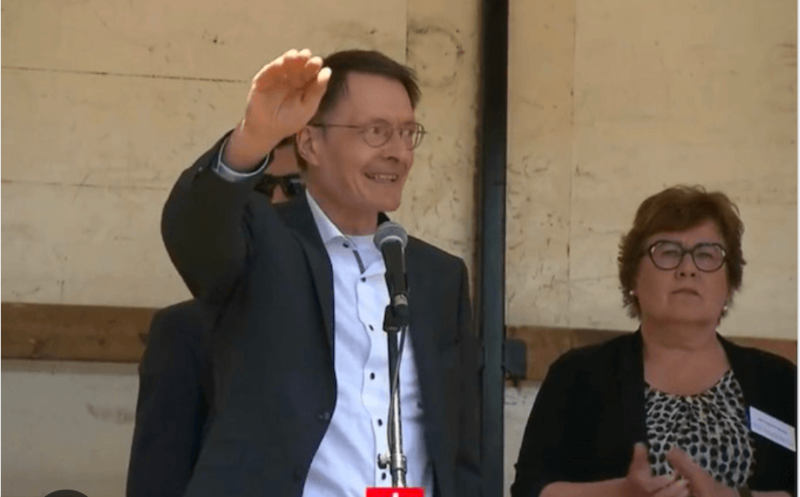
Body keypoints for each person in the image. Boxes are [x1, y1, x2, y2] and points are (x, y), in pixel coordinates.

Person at [160, 48, 481, 497]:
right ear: (310, 143)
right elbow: (193, 231)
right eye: (376, 132)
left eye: (408, 133)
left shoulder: (438, 275)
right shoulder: (262, 244)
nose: (398, 153)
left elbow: (461, 446)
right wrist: (253, 137)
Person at [511, 185, 796, 497]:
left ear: (729, 284)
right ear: (633, 277)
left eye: (706, 255)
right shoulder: (579, 375)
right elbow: (529, 489)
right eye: (668, 252)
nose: (688, 269)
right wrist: (618, 494)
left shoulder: (780, 382)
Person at [126, 138, 306, 497]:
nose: (276, 200)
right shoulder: (187, 332)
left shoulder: (375, 322)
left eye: (296, 188)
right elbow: (158, 479)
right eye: (261, 187)